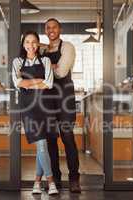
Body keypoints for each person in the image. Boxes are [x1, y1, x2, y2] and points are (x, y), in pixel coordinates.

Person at [12, 31, 58, 195]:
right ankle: (51, 182)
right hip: (29, 108)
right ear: (23, 44)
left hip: (45, 106)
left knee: (42, 145)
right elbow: (18, 83)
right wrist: (38, 81)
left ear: (38, 44)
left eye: (33, 42)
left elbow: (50, 83)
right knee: (42, 145)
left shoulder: (45, 60)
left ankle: (37, 183)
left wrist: (28, 83)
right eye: (27, 42)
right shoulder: (17, 62)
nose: (30, 45)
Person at [42, 18, 81, 193]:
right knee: (50, 140)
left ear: (60, 29)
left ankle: (74, 179)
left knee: (67, 138)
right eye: (48, 28)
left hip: (64, 99)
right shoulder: (42, 49)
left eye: (54, 27)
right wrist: (51, 65)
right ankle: (55, 179)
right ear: (45, 31)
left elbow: (61, 72)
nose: (51, 30)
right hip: (47, 100)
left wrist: (46, 66)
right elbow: (34, 69)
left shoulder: (68, 47)